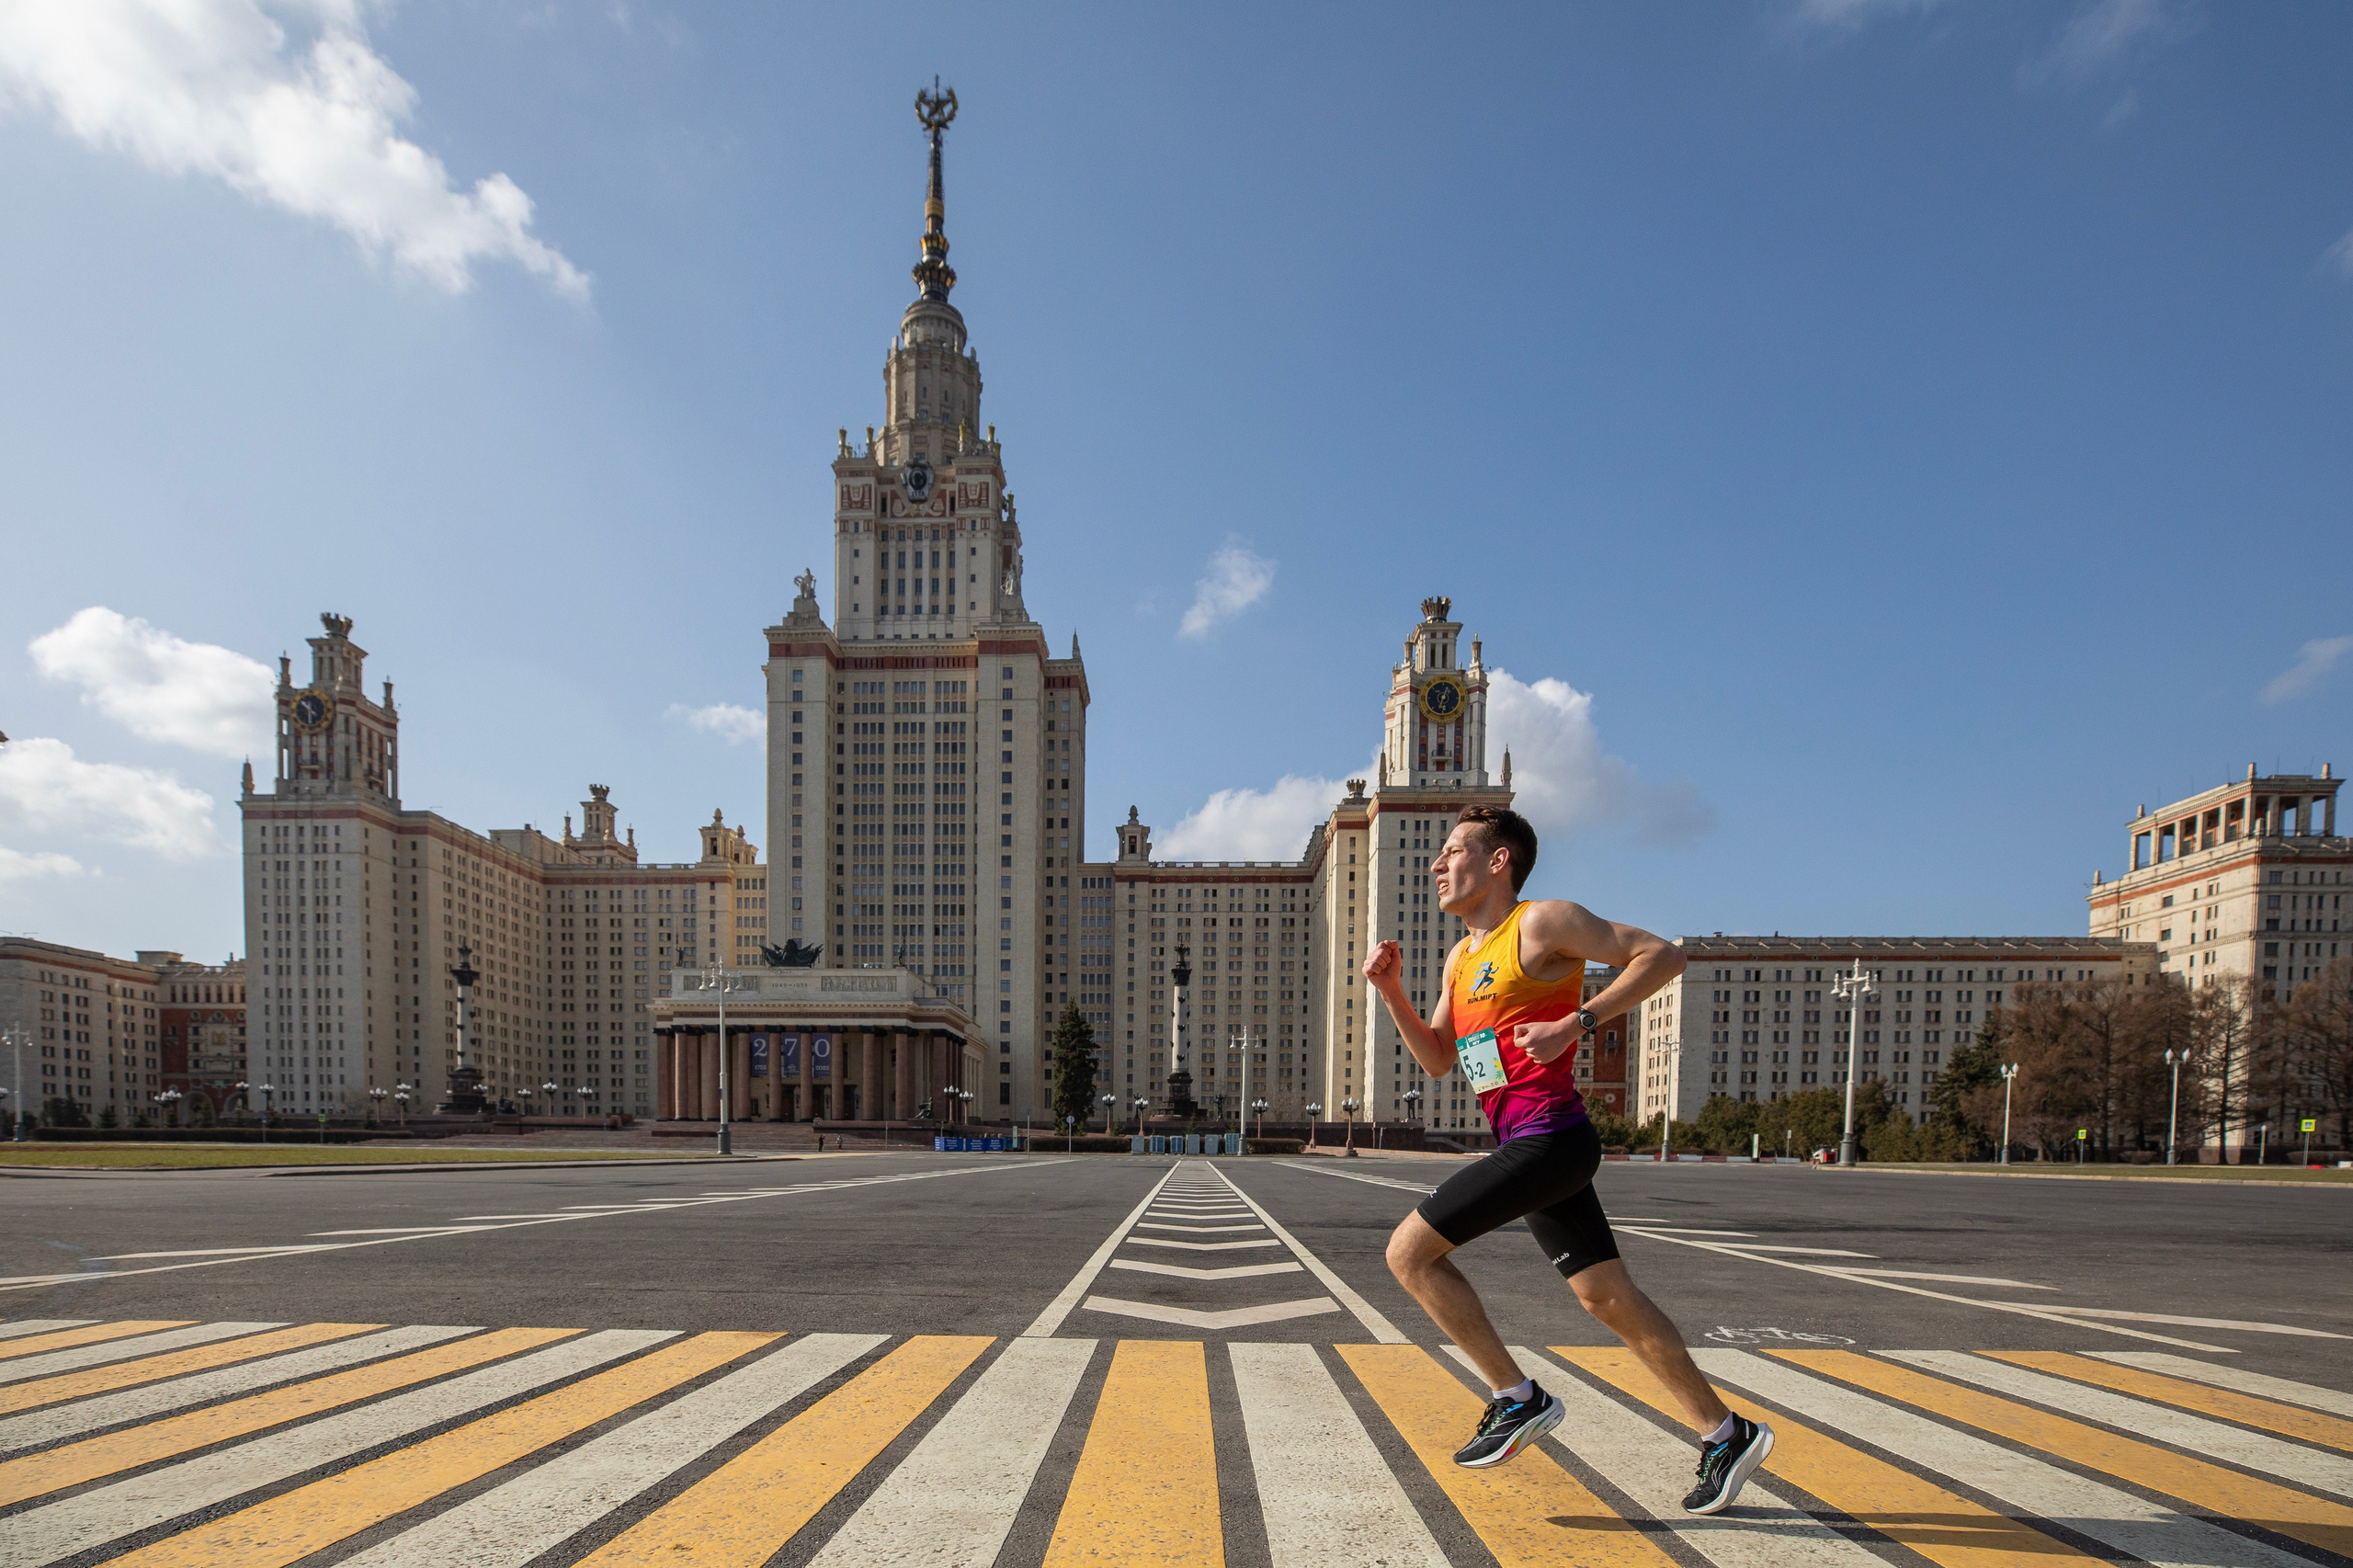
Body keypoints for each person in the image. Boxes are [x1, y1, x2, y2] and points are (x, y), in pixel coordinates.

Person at [1364, 803, 1773, 1515]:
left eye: (1453, 850)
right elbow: (1435, 1060)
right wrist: (1391, 991)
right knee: (1605, 1297)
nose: (1436, 864)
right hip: (1530, 1143)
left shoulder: (1542, 922)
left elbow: (1662, 956)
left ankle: (1515, 1398)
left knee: (1409, 1255)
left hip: (1551, 1138)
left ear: (1498, 862)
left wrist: (1578, 1021)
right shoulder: (1463, 957)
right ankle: (1726, 1433)